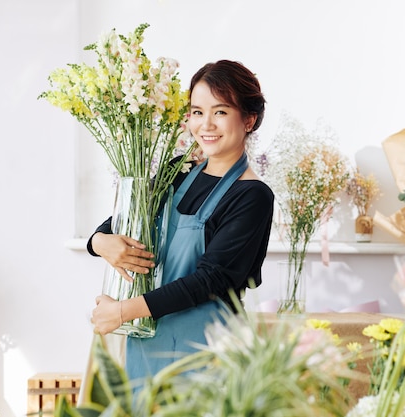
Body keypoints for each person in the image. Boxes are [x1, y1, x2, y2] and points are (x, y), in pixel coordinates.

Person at [87, 59, 274, 385]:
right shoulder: (180, 171)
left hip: (207, 350)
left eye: (220, 111)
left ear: (248, 119)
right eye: (198, 112)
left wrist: (122, 311)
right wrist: (100, 242)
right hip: (148, 342)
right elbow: (122, 220)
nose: (206, 125)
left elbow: (210, 281)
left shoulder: (253, 196)